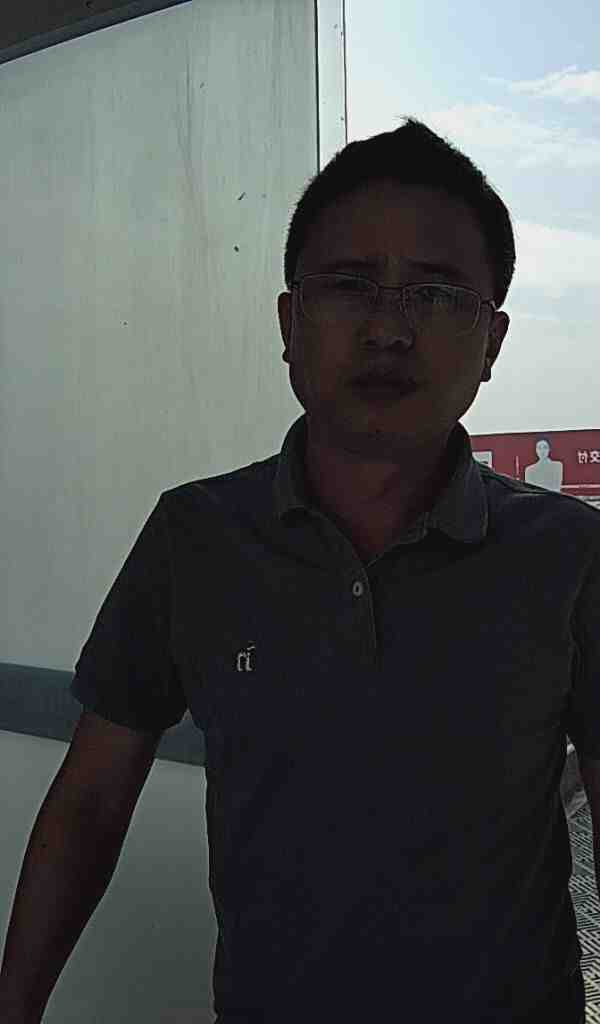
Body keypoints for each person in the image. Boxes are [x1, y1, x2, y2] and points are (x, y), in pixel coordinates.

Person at [1, 118, 597, 1024]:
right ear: (289, 324)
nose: (388, 329)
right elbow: (88, 802)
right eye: (348, 285)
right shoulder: (196, 538)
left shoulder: (570, 556)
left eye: (437, 293)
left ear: (492, 343)